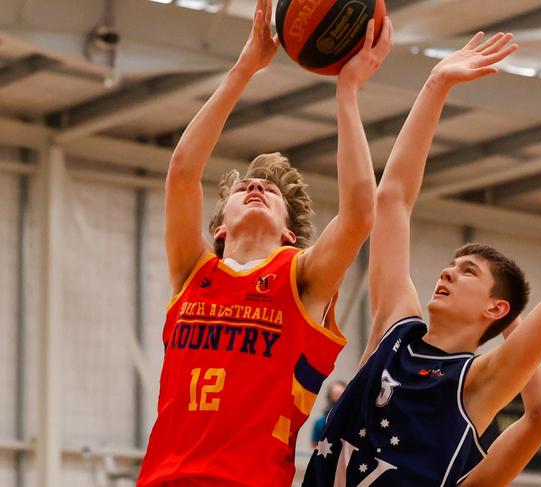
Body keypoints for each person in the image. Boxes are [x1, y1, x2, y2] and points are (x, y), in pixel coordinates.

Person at [303, 30, 541, 486]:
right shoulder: (395, 328)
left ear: (495, 308)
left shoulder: (478, 382)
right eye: (452, 265)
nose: (448, 271)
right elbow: (392, 198)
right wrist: (436, 84)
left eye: (467, 271)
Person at [136, 0, 393, 484]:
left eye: (269, 192)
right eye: (243, 189)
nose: (255, 189)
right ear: (220, 229)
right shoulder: (194, 272)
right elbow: (182, 173)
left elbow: (360, 213)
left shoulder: (302, 278)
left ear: (287, 235)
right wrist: (245, 68)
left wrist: (348, 91)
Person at [312, 380, 347, 448]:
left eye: (341, 395)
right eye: (335, 395)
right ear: (330, 397)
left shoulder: (352, 422)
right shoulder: (319, 423)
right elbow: (315, 446)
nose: (338, 399)